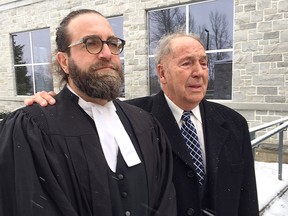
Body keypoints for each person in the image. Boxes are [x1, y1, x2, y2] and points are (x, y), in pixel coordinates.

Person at [25, 32, 259, 216]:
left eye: (204, 63)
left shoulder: (233, 123)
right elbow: (83, 114)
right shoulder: (132, 118)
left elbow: (247, 197)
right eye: (187, 63)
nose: (199, 72)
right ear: (162, 73)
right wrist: (50, 105)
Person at [0, 9, 177, 216]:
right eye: (91, 43)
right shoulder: (32, 128)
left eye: (112, 43)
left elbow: (165, 203)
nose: (106, 53)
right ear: (64, 61)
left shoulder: (146, 124)